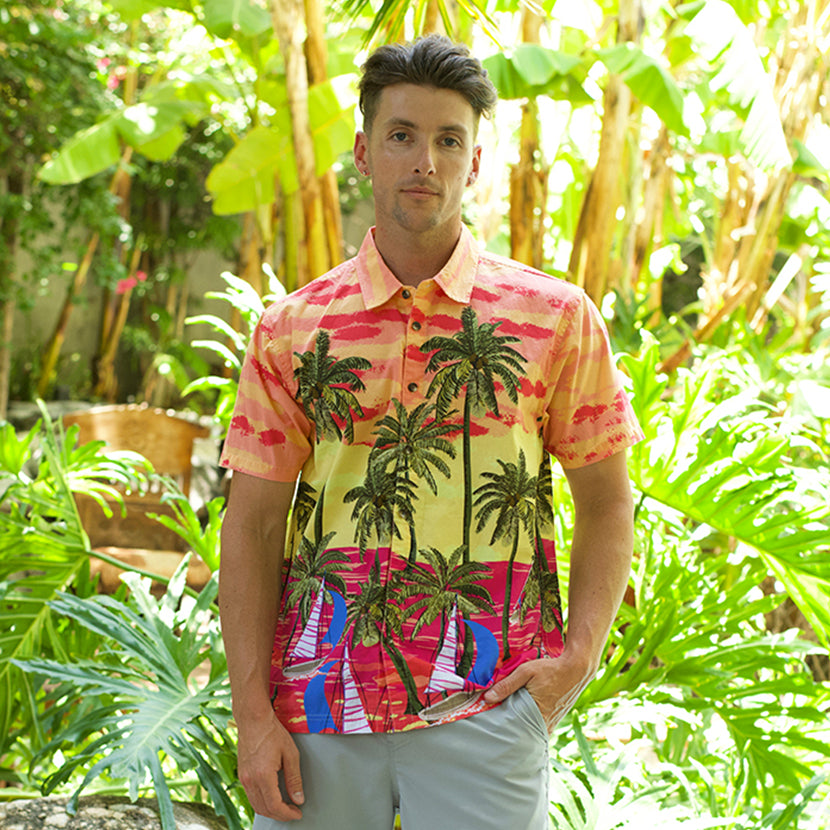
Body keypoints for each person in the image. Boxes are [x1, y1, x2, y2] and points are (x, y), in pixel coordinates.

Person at [218, 34, 643, 830]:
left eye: (449, 141)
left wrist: (575, 661)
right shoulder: (290, 330)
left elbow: (608, 501)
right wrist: (251, 717)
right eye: (402, 135)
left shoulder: (556, 318)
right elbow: (252, 525)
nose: (425, 161)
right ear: (363, 152)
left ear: (474, 164)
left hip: (487, 709)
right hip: (315, 714)